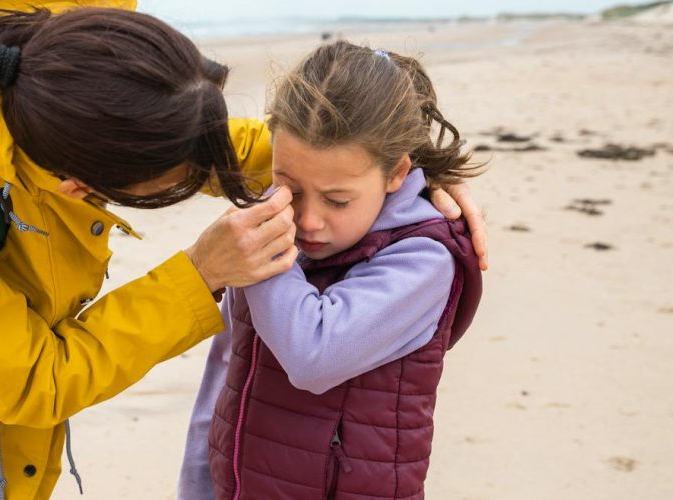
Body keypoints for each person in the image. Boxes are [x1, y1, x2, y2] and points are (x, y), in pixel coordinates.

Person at [0, 1, 486, 498]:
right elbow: (34, 380)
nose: (304, 211)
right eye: (174, 182)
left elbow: (184, 134)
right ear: (78, 189)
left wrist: (404, 182)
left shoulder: (83, 29)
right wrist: (196, 277)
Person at [177, 42, 484, 499]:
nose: (309, 220)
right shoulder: (279, 238)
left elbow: (313, 355)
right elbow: (221, 380)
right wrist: (197, 488)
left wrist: (262, 237)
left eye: (337, 200)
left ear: (397, 173)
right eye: (288, 187)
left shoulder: (423, 258)